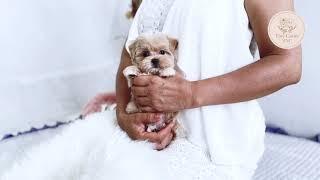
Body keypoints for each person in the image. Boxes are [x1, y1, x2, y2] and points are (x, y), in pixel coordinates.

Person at [83, 0, 302, 179]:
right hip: (139, 137)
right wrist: (123, 115)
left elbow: (288, 64)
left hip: (211, 147)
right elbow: (129, 52)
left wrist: (190, 93)